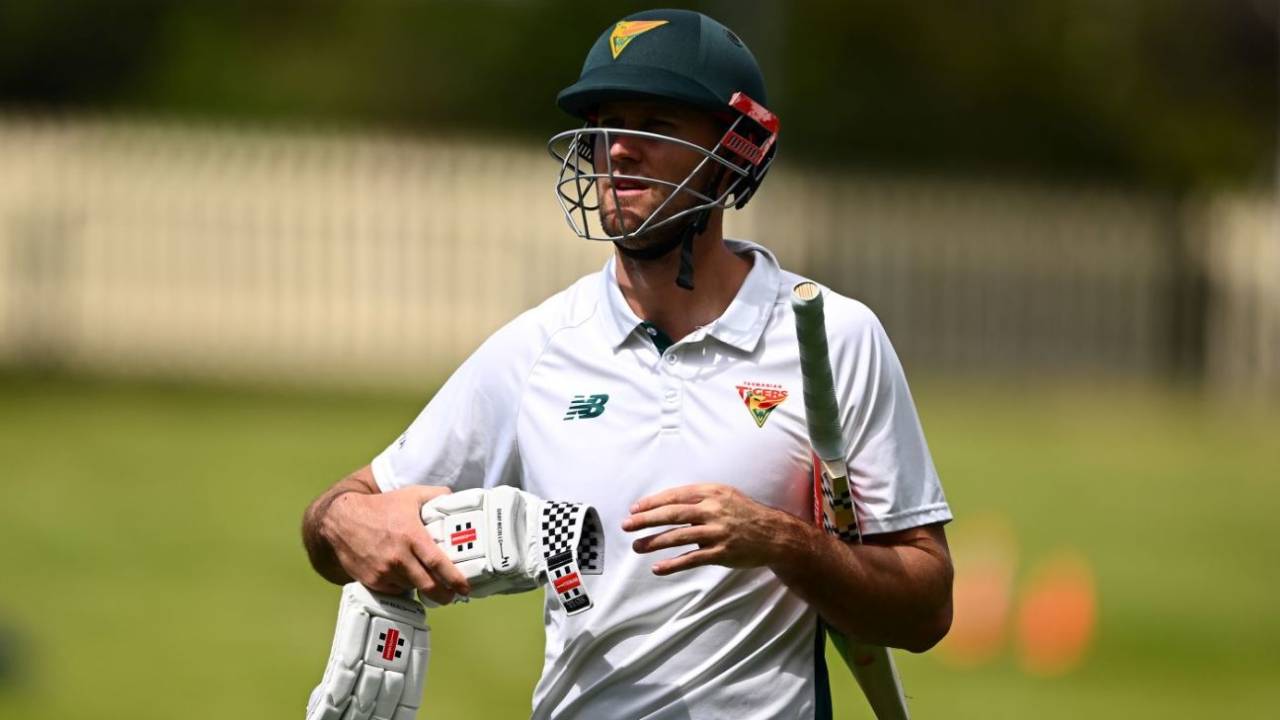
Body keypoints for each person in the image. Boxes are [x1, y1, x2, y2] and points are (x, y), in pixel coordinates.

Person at [302, 8, 953, 719]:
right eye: (606, 126)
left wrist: (784, 543)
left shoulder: (830, 337)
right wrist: (348, 525)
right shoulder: (541, 346)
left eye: (654, 126)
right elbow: (340, 512)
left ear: (734, 150)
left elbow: (925, 610)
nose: (617, 152)